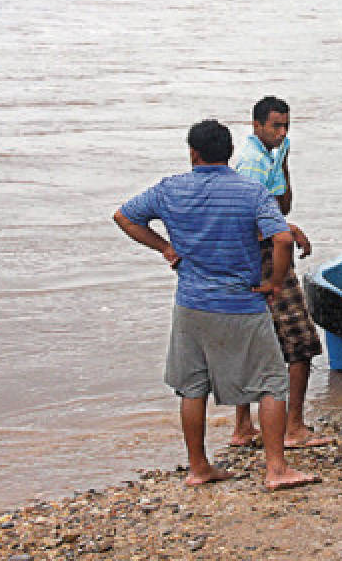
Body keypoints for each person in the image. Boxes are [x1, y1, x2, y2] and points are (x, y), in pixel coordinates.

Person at [112, 119, 320, 491]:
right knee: (272, 383)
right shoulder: (250, 191)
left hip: (191, 303)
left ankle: (199, 467)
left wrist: (164, 247)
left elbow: (124, 216)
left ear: (193, 153)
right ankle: (276, 468)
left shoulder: (170, 189)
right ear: (229, 153)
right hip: (242, 302)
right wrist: (273, 282)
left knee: (192, 388)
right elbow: (283, 239)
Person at [228, 96, 329, 449]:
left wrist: (283, 159)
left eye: (286, 125)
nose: (283, 132)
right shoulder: (252, 163)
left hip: (256, 255)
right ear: (256, 125)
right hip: (266, 257)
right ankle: (293, 427)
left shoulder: (271, 153)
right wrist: (288, 230)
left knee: (253, 341)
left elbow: (280, 204)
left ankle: (243, 427)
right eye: (276, 126)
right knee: (301, 342)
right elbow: (249, 222)